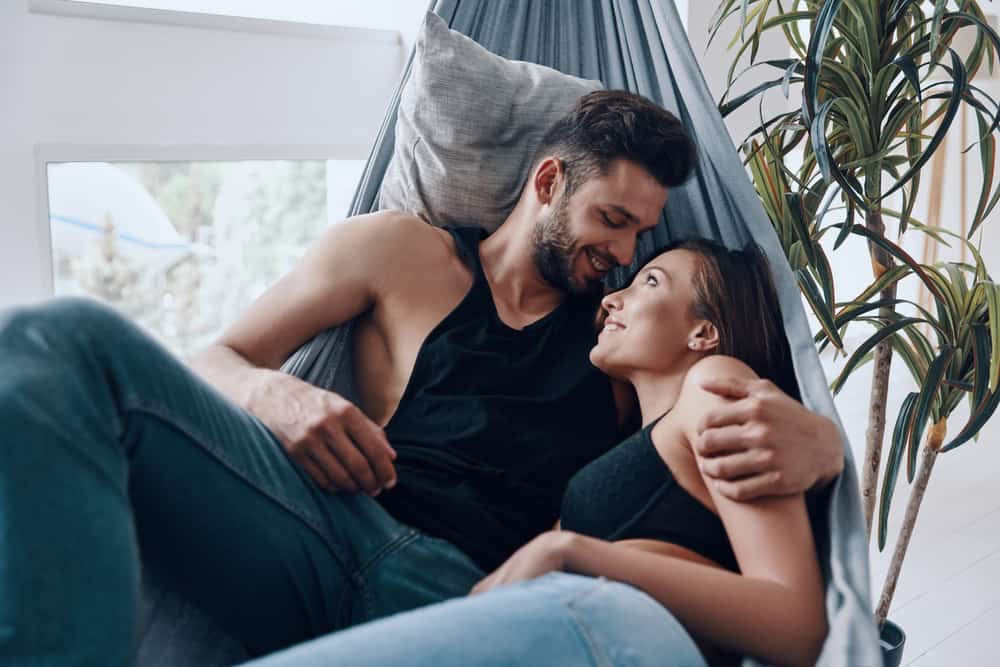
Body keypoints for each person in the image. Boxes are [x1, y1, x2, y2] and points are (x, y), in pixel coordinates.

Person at [0, 91, 841, 665]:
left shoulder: (617, 337)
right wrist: (272, 391)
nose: (622, 256)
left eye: (640, 241)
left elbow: (716, 416)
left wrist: (826, 440)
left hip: (466, 589)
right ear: (549, 182)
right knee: (57, 339)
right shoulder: (398, 254)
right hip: (319, 529)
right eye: (611, 221)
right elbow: (214, 360)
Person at [242, 240, 826, 667]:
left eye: (650, 282)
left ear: (704, 333)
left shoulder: (715, 384)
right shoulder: (622, 442)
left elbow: (794, 625)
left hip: (625, 635)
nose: (613, 299)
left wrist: (569, 550)